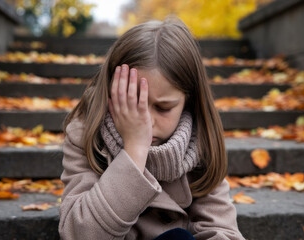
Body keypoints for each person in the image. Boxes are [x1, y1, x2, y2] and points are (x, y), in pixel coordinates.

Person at [58, 17, 245, 240]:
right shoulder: (86, 135)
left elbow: (223, 231)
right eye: (132, 102)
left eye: (163, 107)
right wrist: (134, 151)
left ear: (189, 100)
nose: (146, 121)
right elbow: (79, 233)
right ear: (111, 92)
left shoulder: (199, 145)